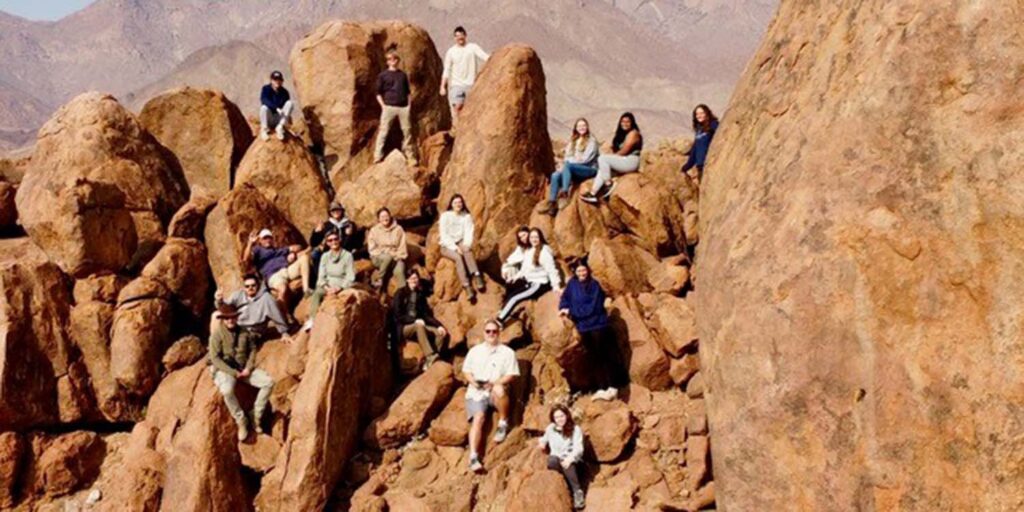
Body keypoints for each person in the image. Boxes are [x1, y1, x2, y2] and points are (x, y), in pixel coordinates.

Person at [559, 261, 628, 401]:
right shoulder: (572, 284)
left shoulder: (594, 285)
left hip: (598, 326)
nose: (582, 274)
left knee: (606, 357)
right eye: (579, 271)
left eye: (584, 271)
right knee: (593, 358)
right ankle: (602, 388)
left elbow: (594, 308)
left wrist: (572, 312)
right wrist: (563, 307)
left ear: (588, 271)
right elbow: (565, 298)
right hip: (584, 328)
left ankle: (613, 387)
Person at [208, 303, 275, 441]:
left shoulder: (245, 332)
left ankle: (255, 415)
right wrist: (232, 372)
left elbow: (252, 350)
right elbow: (215, 358)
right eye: (227, 318)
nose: (230, 320)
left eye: (232, 317)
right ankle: (241, 420)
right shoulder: (217, 335)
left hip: (244, 369)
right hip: (226, 370)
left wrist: (248, 368)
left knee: (268, 383)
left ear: (236, 318)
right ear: (223, 319)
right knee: (227, 390)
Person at [462, 319, 520, 472]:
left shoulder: (507, 352)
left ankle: (502, 423)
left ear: (499, 333)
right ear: (484, 333)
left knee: (499, 389)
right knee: (479, 417)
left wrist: (495, 383)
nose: (491, 334)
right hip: (476, 391)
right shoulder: (475, 351)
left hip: (494, 388)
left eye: (494, 331)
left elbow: (511, 375)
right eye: (488, 331)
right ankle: (473, 456)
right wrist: (474, 382)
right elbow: (466, 371)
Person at [497, 228, 561, 325]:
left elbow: (551, 270)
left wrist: (556, 287)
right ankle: (504, 312)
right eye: (532, 237)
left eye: (536, 237)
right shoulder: (530, 250)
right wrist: (515, 277)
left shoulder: (544, 252)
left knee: (515, 298)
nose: (534, 239)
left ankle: (499, 321)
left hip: (539, 284)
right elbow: (524, 269)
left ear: (540, 238)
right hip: (531, 281)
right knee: (512, 293)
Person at [246, 228, 310, 322]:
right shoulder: (258, 251)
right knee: (283, 289)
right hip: (274, 275)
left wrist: (292, 253)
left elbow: (299, 247)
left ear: (272, 239)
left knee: (304, 258)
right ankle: (285, 316)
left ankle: (306, 289)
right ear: (260, 240)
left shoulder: (278, 249)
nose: (267, 240)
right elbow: (246, 259)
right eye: (264, 238)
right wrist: (250, 243)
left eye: (269, 238)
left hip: (286, 270)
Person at [580, 112, 643, 204]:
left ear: (632, 123)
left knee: (602, 159)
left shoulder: (633, 134)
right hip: (624, 161)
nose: (625, 124)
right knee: (602, 169)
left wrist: (610, 158)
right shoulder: (623, 135)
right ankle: (593, 193)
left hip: (631, 161)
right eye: (623, 121)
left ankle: (608, 184)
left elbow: (624, 151)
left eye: (627, 122)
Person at [391, 272, 448, 370]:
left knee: (439, 334)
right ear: (407, 280)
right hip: (403, 327)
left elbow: (426, 315)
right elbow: (397, 315)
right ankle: (430, 356)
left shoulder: (420, 295)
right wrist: (414, 320)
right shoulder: (400, 293)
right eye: (412, 278)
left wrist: (439, 326)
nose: (414, 281)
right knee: (419, 326)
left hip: (419, 325)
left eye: (416, 278)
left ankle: (432, 361)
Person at [543, 118, 599, 216]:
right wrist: (569, 163)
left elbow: (585, 159)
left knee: (568, 166)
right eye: (579, 126)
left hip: (589, 169)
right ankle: (552, 203)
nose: (582, 128)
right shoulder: (573, 141)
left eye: (584, 126)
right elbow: (567, 156)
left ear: (587, 127)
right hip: (574, 169)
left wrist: (569, 162)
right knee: (555, 175)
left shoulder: (591, 141)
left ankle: (565, 193)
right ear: (576, 128)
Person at [374, 47, 418, 165]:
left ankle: (410, 157)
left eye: (394, 58)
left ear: (397, 60)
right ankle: (377, 156)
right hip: (389, 107)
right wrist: (383, 106)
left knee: (407, 132)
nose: (392, 61)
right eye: (390, 59)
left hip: (403, 107)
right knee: (383, 131)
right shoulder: (383, 75)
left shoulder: (402, 75)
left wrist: (409, 105)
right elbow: (378, 92)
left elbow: (408, 91)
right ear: (387, 61)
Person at [305, 231, 356, 331]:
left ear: (339, 240)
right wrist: (326, 288)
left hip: (341, 284)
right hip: (328, 285)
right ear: (327, 243)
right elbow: (321, 276)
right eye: (330, 240)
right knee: (317, 293)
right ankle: (312, 319)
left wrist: (339, 288)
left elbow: (350, 276)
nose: (333, 242)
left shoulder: (348, 256)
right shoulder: (325, 256)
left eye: (335, 239)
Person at [538, 404, 586, 509]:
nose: (559, 419)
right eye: (556, 417)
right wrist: (542, 443)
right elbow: (544, 438)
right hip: (556, 458)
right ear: (553, 419)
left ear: (567, 415)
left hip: (573, 461)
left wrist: (570, 459)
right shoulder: (551, 428)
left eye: (562, 416)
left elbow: (579, 448)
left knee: (566, 464)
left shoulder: (575, 429)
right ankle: (563, 484)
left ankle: (577, 491)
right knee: (552, 460)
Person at [439, 194, 486, 300]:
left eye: (460, 202)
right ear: (451, 204)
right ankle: (466, 285)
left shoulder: (466, 216)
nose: (458, 205)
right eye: (455, 202)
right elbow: (444, 235)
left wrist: (466, 245)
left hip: (460, 241)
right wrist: (455, 248)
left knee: (467, 251)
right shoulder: (445, 216)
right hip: (447, 245)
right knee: (458, 258)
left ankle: (476, 275)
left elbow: (469, 233)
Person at [213, 273, 290, 337]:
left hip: (253, 331)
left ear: (258, 285)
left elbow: (276, 315)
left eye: (253, 285)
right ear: (244, 287)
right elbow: (225, 309)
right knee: (216, 315)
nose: (250, 288)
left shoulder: (266, 298)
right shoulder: (238, 295)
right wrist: (219, 300)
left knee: (237, 341)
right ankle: (213, 344)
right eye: (247, 286)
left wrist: (284, 333)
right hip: (238, 327)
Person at [440, 26, 489, 120]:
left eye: (461, 35)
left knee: (471, 110)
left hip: (471, 84)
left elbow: (485, 57)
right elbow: (447, 69)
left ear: (465, 36)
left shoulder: (472, 47)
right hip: (456, 85)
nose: (459, 38)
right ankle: (459, 128)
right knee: (458, 107)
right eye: (457, 36)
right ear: (454, 38)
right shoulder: (451, 52)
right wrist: (442, 86)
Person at [308, 201, 356, 287]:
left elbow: (355, 243)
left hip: (344, 252)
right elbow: (313, 243)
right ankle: (320, 281)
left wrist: (349, 235)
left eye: (338, 210)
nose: (336, 212)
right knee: (315, 254)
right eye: (333, 211)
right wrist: (317, 232)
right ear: (330, 213)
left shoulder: (349, 224)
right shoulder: (327, 225)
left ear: (342, 211)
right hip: (328, 252)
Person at [367, 208, 408, 293]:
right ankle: (380, 279)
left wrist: (398, 256)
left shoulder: (398, 229)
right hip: (379, 257)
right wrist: (385, 253)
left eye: (386, 216)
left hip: (395, 257)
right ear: (378, 219)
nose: (385, 218)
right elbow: (372, 248)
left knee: (400, 271)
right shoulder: (374, 230)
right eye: (382, 216)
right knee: (387, 257)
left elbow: (402, 247)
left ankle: (404, 294)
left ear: (390, 216)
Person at [680, 104, 719, 182]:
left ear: (706, 113)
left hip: (710, 164)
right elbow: (695, 149)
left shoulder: (713, 124)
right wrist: (686, 167)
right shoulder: (699, 129)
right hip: (700, 167)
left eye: (701, 113)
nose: (699, 116)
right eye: (697, 114)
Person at [259, 70, 294, 141]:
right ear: (271, 80)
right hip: (269, 117)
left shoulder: (285, 92)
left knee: (290, 103)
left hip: (279, 118)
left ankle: (280, 127)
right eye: (275, 79)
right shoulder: (266, 89)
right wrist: (276, 108)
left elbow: (286, 109)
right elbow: (264, 100)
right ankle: (264, 129)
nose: (277, 81)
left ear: (282, 81)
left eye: (279, 80)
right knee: (263, 108)